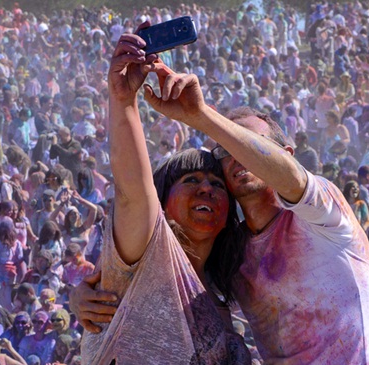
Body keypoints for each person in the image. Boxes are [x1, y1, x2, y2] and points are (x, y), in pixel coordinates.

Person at [77, 39, 369, 363]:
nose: (237, 153)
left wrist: (202, 116)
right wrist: (84, 294)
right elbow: (134, 201)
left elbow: (292, 179)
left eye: (248, 142)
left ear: (288, 154)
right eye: (224, 150)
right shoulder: (234, 259)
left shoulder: (324, 219)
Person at [78, 28, 250, 364]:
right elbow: (132, 193)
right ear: (162, 199)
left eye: (217, 184)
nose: (206, 189)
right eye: (191, 179)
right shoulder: (145, 256)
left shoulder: (224, 293)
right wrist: (123, 100)